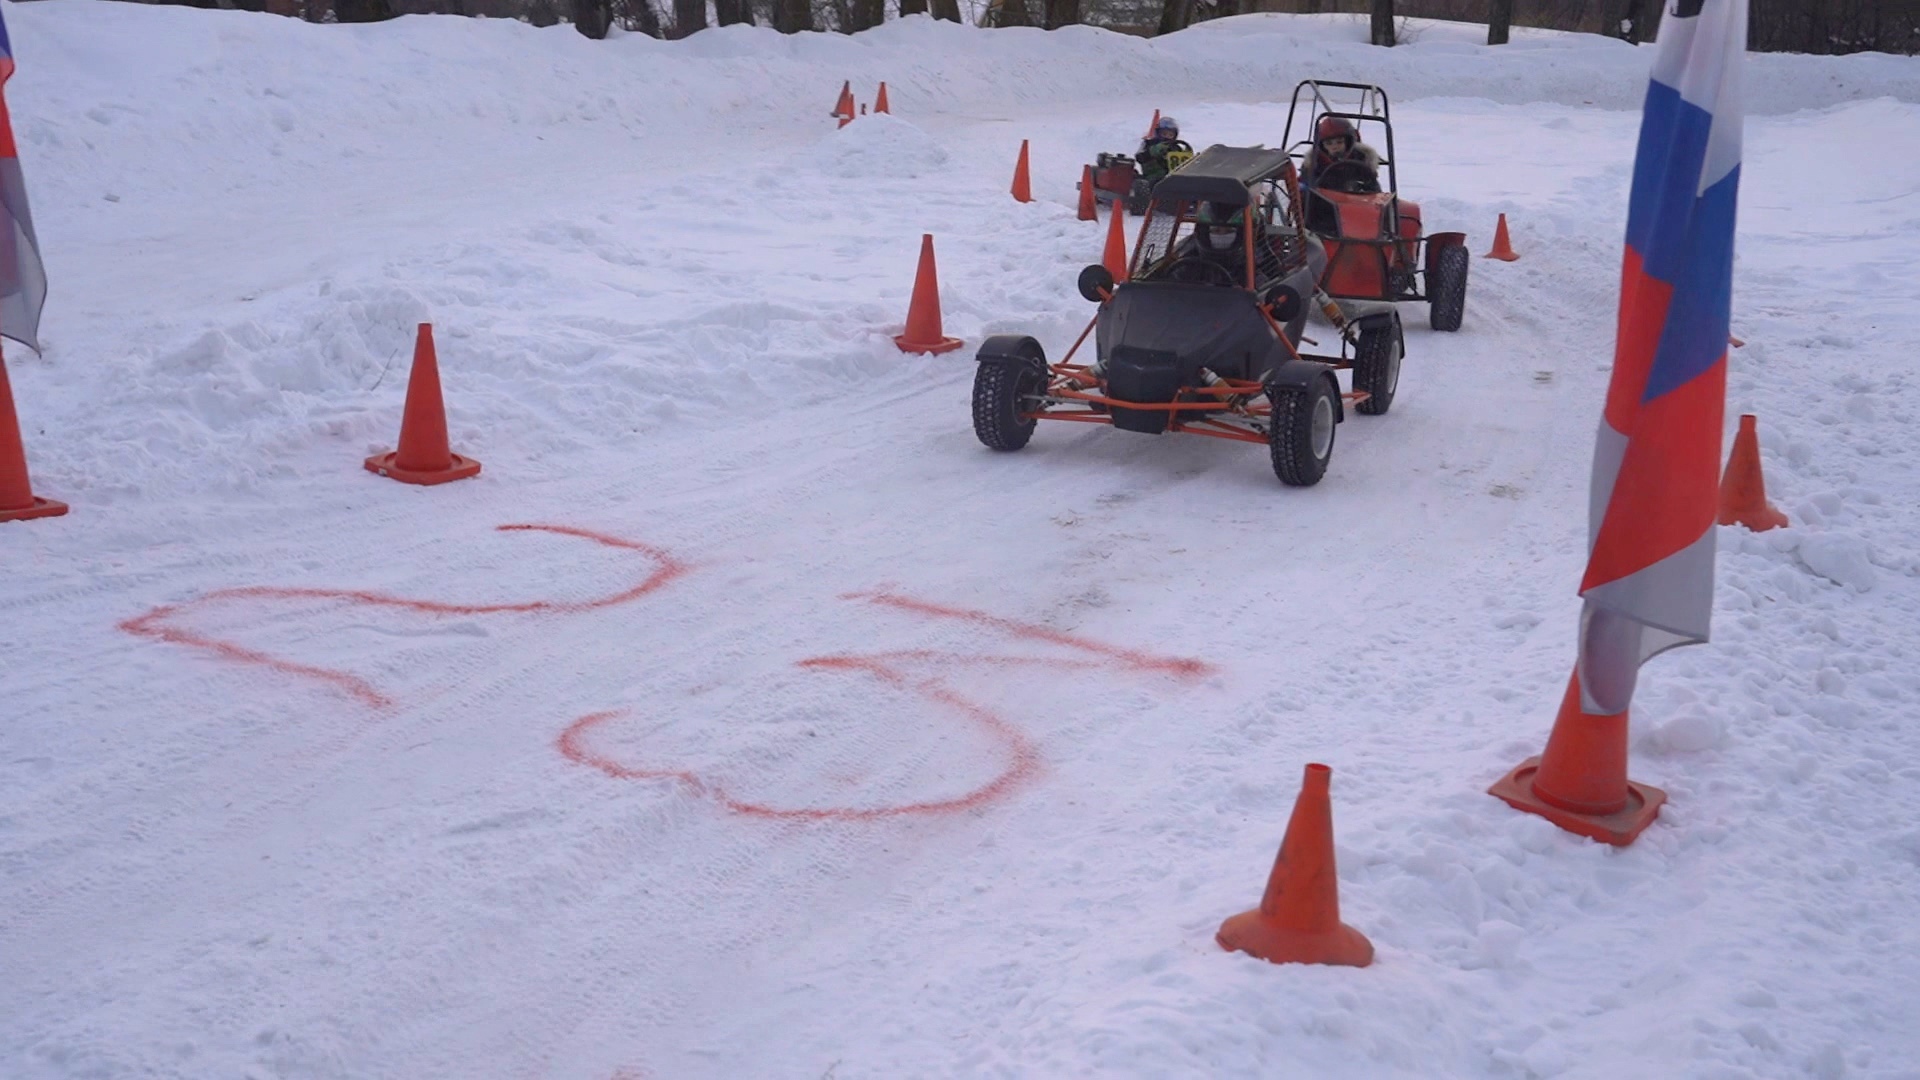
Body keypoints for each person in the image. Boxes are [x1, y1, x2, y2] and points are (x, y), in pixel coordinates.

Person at [1301, 115, 1381, 192]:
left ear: (1348, 142)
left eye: (1339, 142)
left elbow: (1372, 187)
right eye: (1329, 143)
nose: (1334, 147)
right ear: (1322, 146)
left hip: (1357, 200)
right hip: (1324, 201)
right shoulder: (1314, 162)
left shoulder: (1361, 157)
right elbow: (1307, 185)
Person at [1135, 117, 1187, 184]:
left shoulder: (1177, 148)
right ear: (1158, 133)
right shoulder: (1149, 143)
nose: (1167, 137)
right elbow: (1139, 157)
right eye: (1164, 134)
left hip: (1174, 177)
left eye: (1170, 135)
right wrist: (1153, 151)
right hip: (1153, 176)